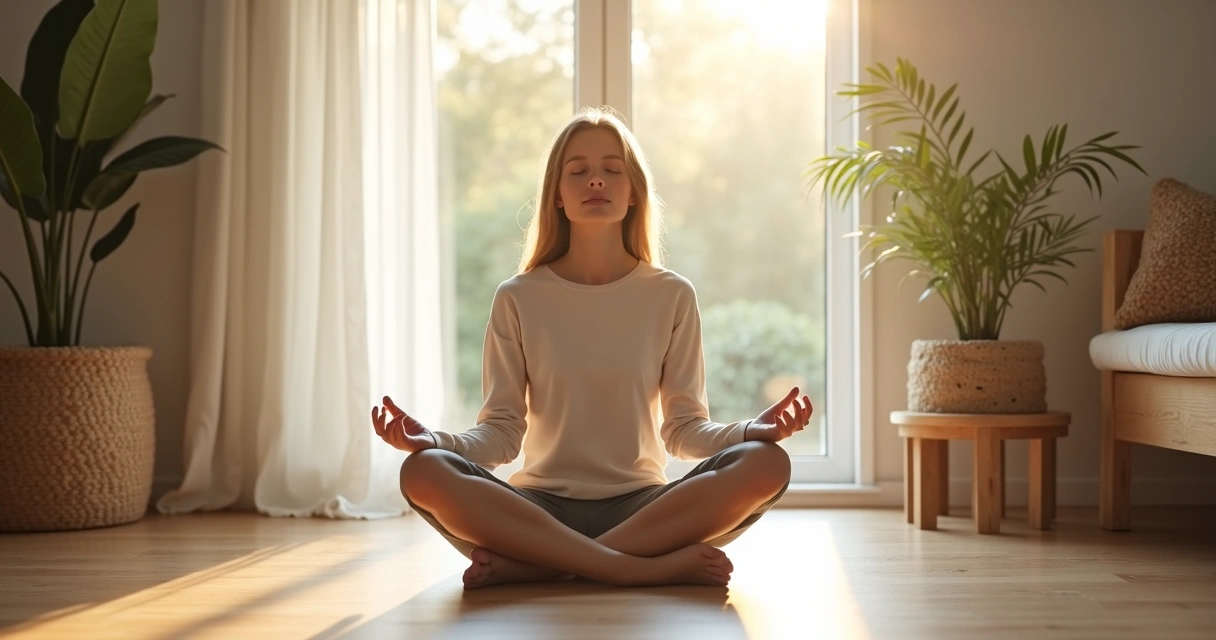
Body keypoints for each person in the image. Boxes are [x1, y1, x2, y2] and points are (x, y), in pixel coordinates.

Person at [371, 107, 813, 590]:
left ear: (633, 193)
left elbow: (684, 430)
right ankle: (633, 568)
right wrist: (435, 442)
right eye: (578, 171)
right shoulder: (518, 297)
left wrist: (751, 430)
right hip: (537, 509)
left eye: (611, 170)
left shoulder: (672, 295)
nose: (596, 181)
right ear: (557, 197)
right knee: (424, 471)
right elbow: (500, 434)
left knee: (767, 462)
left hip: (644, 508)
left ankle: (543, 567)